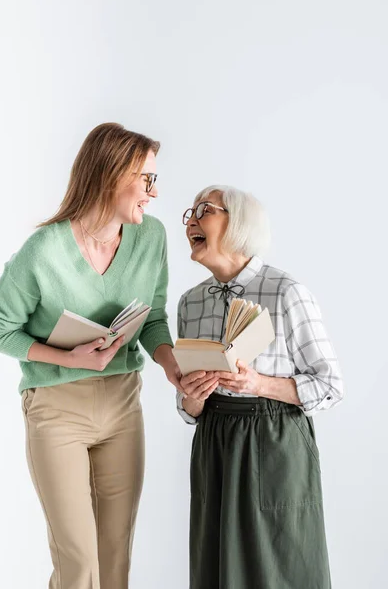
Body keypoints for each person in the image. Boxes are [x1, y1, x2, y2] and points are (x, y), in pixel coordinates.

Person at [0, 122, 179, 589]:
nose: (153, 193)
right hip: (56, 408)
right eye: (146, 179)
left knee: (115, 562)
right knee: (80, 566)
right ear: (112, 174)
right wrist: (70, 358)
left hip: (121, 406)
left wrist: (173, 365)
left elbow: (153, 316)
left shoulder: (151, 237)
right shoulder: (44, 250)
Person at [177, 185, 343, 589]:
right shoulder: (190, 302)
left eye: (205, 210)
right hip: (214, 439)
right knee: (214, 562)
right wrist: (193, 400)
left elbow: (330, 385)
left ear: (238, 224)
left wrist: (258, 383)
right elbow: (186, 408)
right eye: (190, 212)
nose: (191, 221)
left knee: (279, 561)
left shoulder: (286, 292)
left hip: (274, 439)